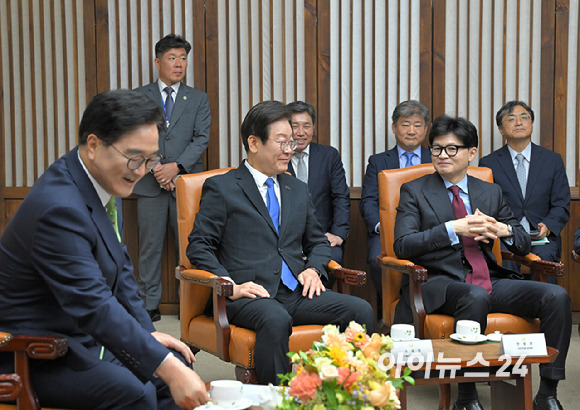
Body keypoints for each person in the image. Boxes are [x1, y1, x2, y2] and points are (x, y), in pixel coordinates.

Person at [0, 90, 209, 409]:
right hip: (35, 352)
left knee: (177, 362)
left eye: (150, 159)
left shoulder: (98, 181)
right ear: (95, 145)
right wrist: (165, 367)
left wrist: (147, 335)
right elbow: (94, 304)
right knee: (137, 390)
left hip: (79, 339)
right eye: (134, 157)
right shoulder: (59, 208)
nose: (141, 170)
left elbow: (122, 275)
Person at [186, 100, 374, 385]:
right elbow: (199, 245)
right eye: (283, 142)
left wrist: (313, 269)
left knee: (361, 311)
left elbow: (318, 242)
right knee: (275, 318)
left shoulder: (296, 189)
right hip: (248, 293)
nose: (291, 149)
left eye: (292, 142)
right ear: (254, 142)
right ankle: (277, 399)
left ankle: (350, 395)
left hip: (294, 291)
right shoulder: (223, 187)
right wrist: (230, 286)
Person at [393, 114, 571, 410]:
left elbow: (523, 241)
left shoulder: (490, 191)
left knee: (556, 296)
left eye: (452, 149)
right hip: (441, 283)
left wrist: (504, 230)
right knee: (473, 295)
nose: (442, 156)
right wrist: (453, 229)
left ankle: (548, 393)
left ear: (471, 153)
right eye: (436, 149)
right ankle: (466, 397)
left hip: (490, 279)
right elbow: (403, 245)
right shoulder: (415, 190)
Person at [134, 34, 211, 321]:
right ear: (157, 62)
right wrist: (156, 166)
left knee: (189, 247)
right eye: (172, 58)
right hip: (149, 182)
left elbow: (201, 138)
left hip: (185, 184)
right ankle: (148, 305)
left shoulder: (198, 99)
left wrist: (176, 168)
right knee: (149, 247)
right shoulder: (140, 96)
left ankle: (188, 304)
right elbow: (134, 135)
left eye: (183, 58)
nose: (179, 64)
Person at [479, 101, 570, 282]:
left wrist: (549, 225)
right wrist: (502, 229)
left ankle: (544, 308)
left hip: (541, 237)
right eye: (511, 119)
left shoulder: (552, 160)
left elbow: (561, 202)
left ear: (531, 124)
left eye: (524, 117)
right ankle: (508, 307)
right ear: (501, 130)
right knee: (504, 259)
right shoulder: (489, 163)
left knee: (545, 259)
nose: (519, 122)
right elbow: (486, 205)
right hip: (505, 236)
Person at [360, 100, 431, 296]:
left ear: (425, 129)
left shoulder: (436, 158)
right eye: (405, 124)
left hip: (428, 228)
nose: (411, 130)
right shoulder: (378, 161)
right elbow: (368, 201)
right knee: (377, 260)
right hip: (387, 230)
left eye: (417, 125)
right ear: (394, 127)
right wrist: (381, 226)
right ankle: (388, 310)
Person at [286, 101, 350, 268]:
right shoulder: (277, 158)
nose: (300, 133)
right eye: (294, 126)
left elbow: (341, 197)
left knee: (332, 263)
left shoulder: (329, 156)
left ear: (313, 127)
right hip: (285, 241)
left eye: (306, 126)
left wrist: (338, 234)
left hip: (322, 237)